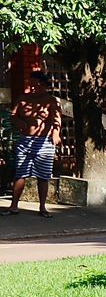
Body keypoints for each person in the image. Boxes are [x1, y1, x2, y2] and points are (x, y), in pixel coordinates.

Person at [7, 70, 62, 216]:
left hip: (44, 142)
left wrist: (55, 134)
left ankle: (42, 207)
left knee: (43, 176)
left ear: (43, 85)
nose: (32, 88)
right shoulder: (23, 98)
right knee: (20, 173)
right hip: (25, 140)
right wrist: (19, 122)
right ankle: (13, 206)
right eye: (30, 85)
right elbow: (12, 116)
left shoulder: (51, 100)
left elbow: (57, 119)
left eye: (36, 85)